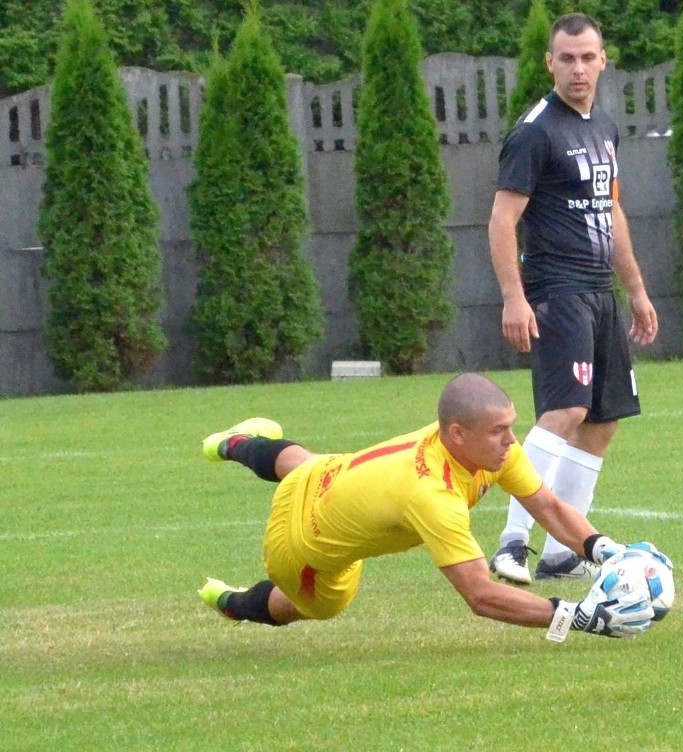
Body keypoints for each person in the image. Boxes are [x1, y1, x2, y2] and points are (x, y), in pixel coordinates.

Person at [197, 372, 657, 642]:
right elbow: (480, 595)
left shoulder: (489, 450)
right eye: (499, 430)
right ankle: (231, 602)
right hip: (297, 544)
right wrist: (579, 617)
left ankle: (234, 443)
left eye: (510, 425)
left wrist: (604, 551)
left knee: (308, 466)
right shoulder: (432, 495)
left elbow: (550, 508)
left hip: (326, 476)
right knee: (321, 603)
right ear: (457, 435)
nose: (511, 439)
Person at [488, 13, 658, 585]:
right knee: (564, 413)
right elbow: (502, 218)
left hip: (598, 291)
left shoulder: (604, 127)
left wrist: (633, 289)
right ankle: (513, 542)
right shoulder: (536, 131)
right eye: (568, 58)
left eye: (588, 58)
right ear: (550, 63)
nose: (578, 69)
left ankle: (566, 549)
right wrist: (514, 298)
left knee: (603, 421)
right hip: (555, 291)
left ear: (603, 60)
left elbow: (611, 212)